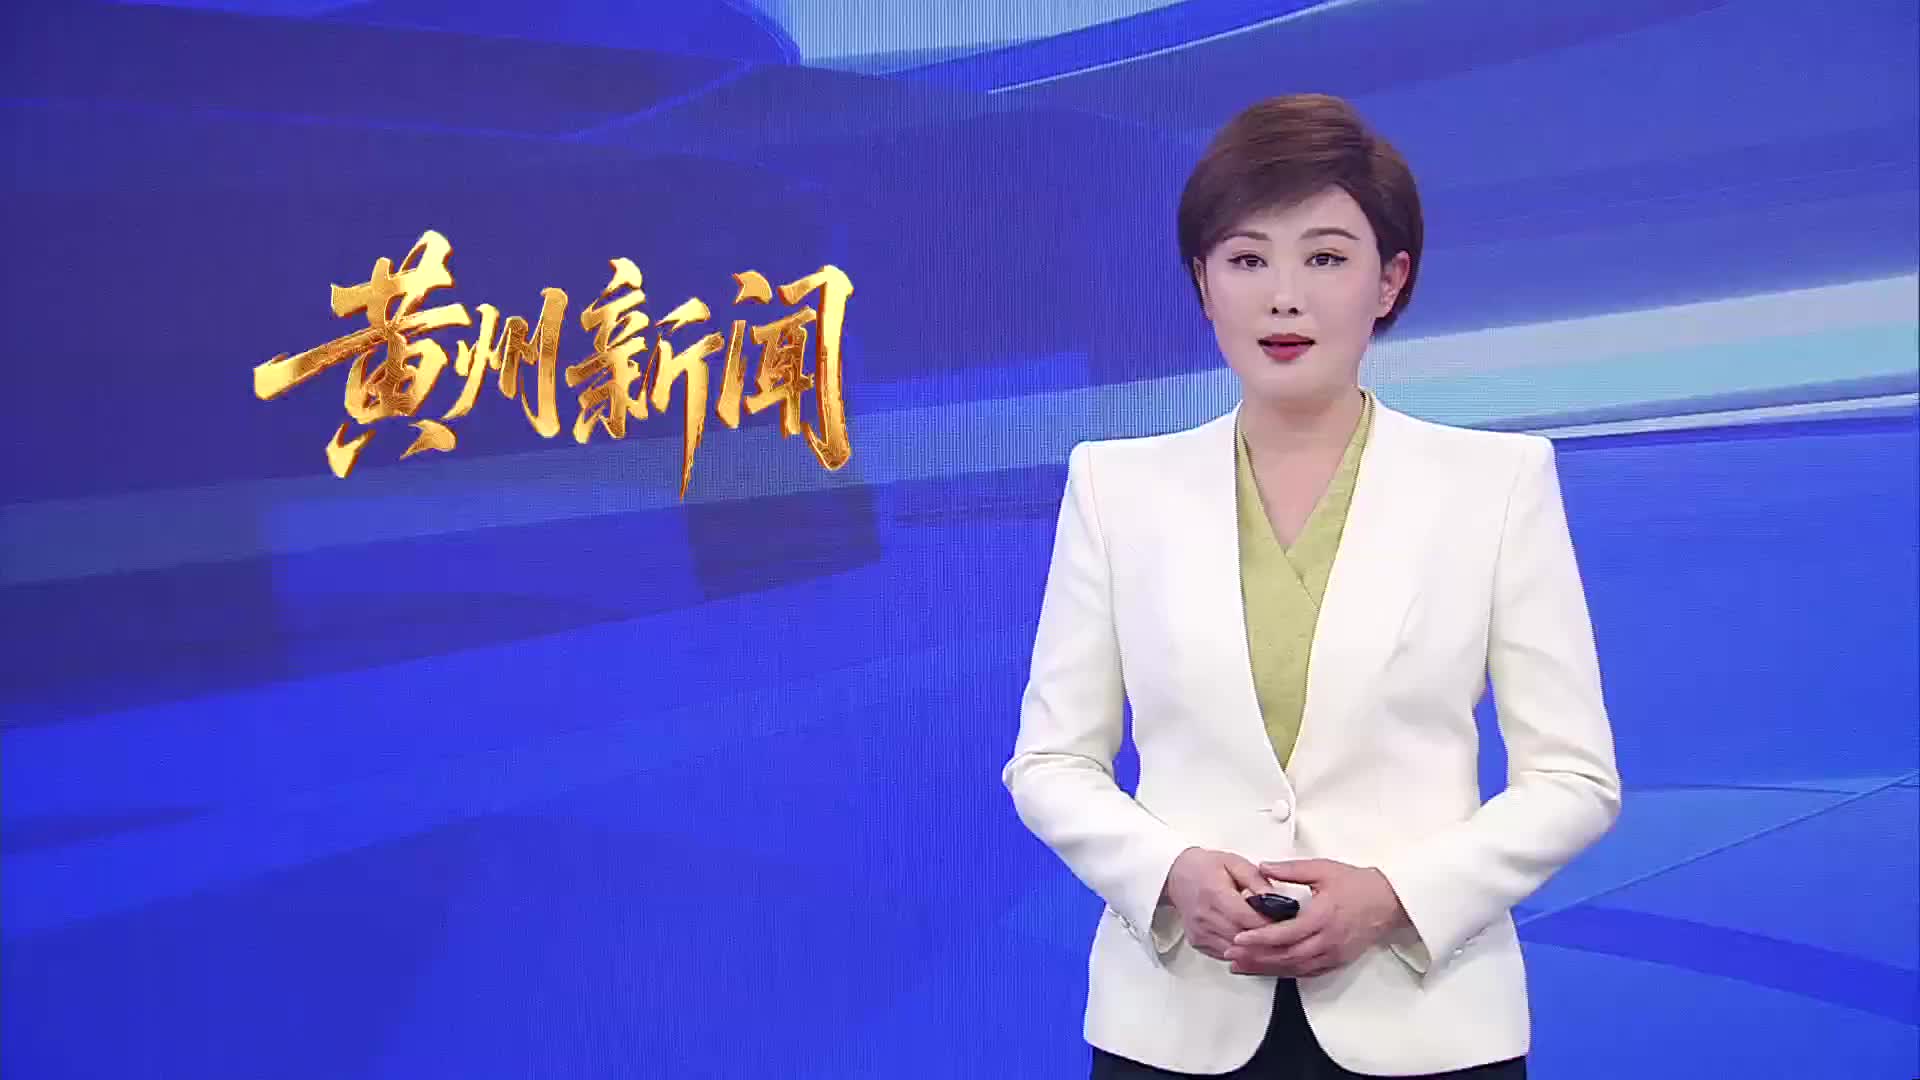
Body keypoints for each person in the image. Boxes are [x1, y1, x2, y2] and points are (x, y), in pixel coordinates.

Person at [1001, 93, 1622, 1079]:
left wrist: (1396, 898)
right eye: (1247, 260)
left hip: (1428, 1025)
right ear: (1203, 285)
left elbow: (1574, 781)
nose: (1284, 298)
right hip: (1173, 1027)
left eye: (1326, 257)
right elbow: (1050, 762)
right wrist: (1168, 875)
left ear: (1391, 279)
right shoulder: (1115, 489)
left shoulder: (1496, 485)